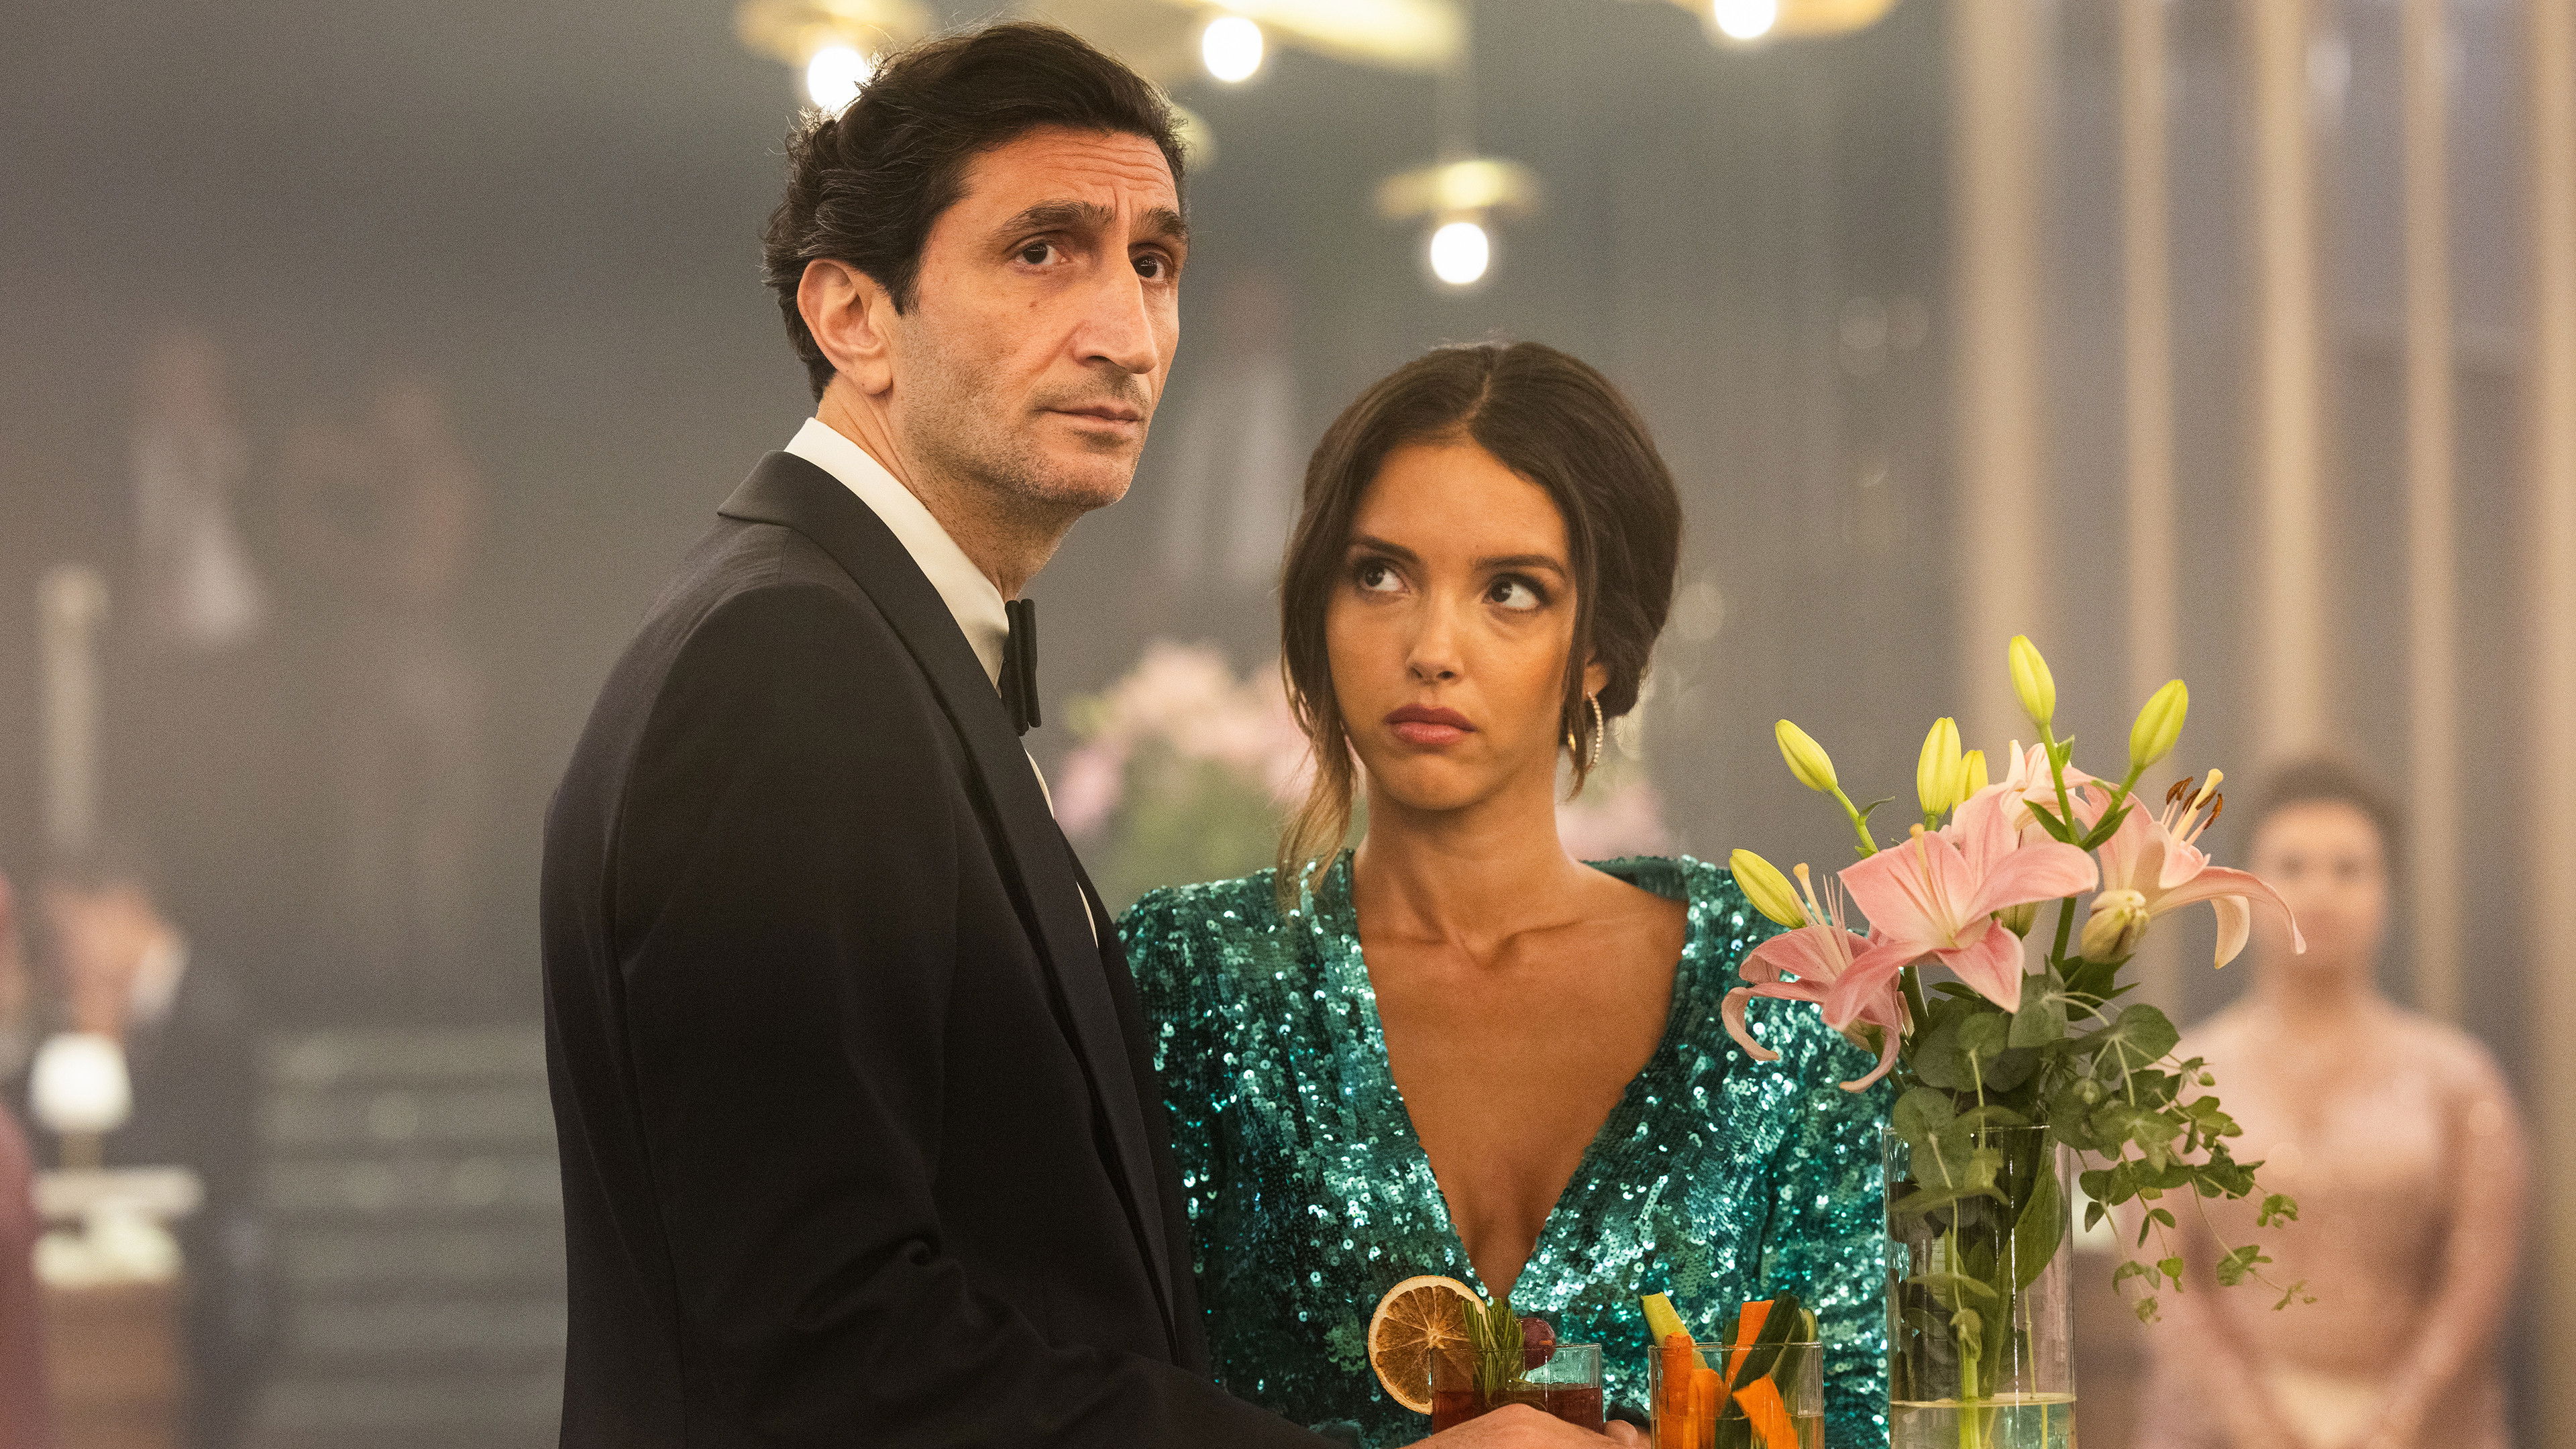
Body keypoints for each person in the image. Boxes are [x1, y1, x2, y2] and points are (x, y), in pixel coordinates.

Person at [540, 23, 1624, 1448]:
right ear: (854, 316)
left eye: (1153, 262)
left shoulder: (856, 640)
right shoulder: (790, 664)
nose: (1127, 332)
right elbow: (823, 1355)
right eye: (1044, 251)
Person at [1123, 341, 1891, 1447]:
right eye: (1380, 576)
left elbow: (1859, 1415)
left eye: (1512, 592)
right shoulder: (1191, 977)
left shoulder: (1775, 988)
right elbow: (1077, 1405)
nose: (1432, 648)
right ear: (1319, 609)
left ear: (1599, 650)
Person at [2138, 757, 2526, 1449]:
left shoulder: (2458, 1079)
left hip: (2424, 1429)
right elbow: (2158, 1280)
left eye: (2349, 870)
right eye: (2291, 867)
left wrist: (2394, 1423)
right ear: (2243, 887)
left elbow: (2478, 1283)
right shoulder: (2177, 1077)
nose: (2319, 891)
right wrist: (2256, 1426)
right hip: (2219, 1433)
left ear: (2388, 890)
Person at [36, 847, 266, 1449]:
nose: (66, 956)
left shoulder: (207, 1009)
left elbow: (193, 1157)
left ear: (121, 910)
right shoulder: (125, 1009)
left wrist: (109, 1050)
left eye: (71, 932)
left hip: (205, 1290)